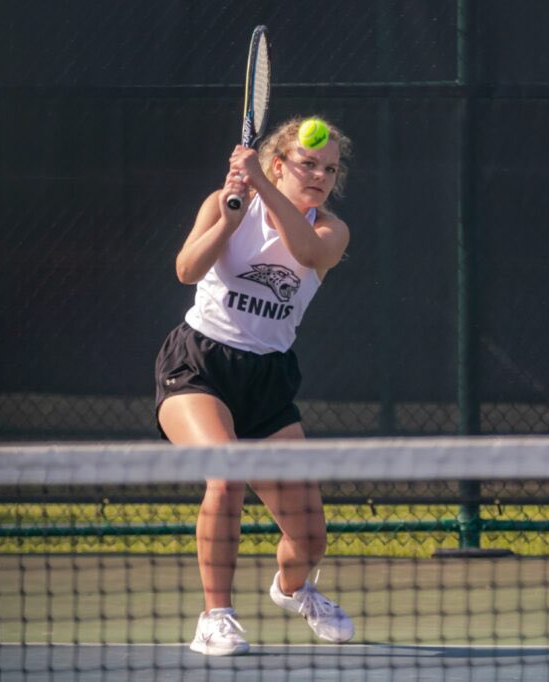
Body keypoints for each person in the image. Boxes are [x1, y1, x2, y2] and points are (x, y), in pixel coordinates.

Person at [153, 116, 355, 656]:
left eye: (329, 168)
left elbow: (308, 255)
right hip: (199, 366)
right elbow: (186, 270)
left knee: (310, 539)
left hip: (267, 380)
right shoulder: (224, 203)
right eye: (309, 163)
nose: (320, 174)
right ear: (279, 162)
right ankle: (215, 617)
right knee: (226, 474)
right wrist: (229, 217)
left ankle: (293, 590)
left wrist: (260, 186)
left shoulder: (330, 231)